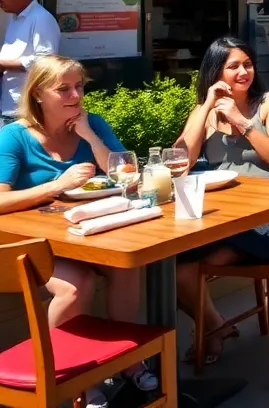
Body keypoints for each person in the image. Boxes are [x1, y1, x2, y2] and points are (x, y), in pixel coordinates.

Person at [0, 55, 156, 406]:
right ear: (38, 94)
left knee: (126, 266)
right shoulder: (14, 136)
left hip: (83, 233)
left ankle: (126, 361)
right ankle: (68, 378)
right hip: (28, 243)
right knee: (77, 286)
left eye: (79, 87)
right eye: (64, 89)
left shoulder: (92, 124)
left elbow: (126, 173)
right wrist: (56, 186)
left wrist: (88, 134)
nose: (75, 95)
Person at [174, 37, 269, 365]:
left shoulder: (268, 103)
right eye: (233, 66)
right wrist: (205, 106)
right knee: (176, 267)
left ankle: (209, 330)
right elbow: (180, 160)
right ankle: (216, 325)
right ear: (215, 72)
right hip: (226, 217)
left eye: (247, 64)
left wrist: (241, 121)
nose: (243, 72)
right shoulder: (203, 112)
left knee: (197, 262)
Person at [0, 0, 60, 125]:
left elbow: (46, 61)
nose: (0, 1)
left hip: (25, 108)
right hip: (8, 102)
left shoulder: (41, 18)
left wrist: (3, 65)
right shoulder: (14, 17)